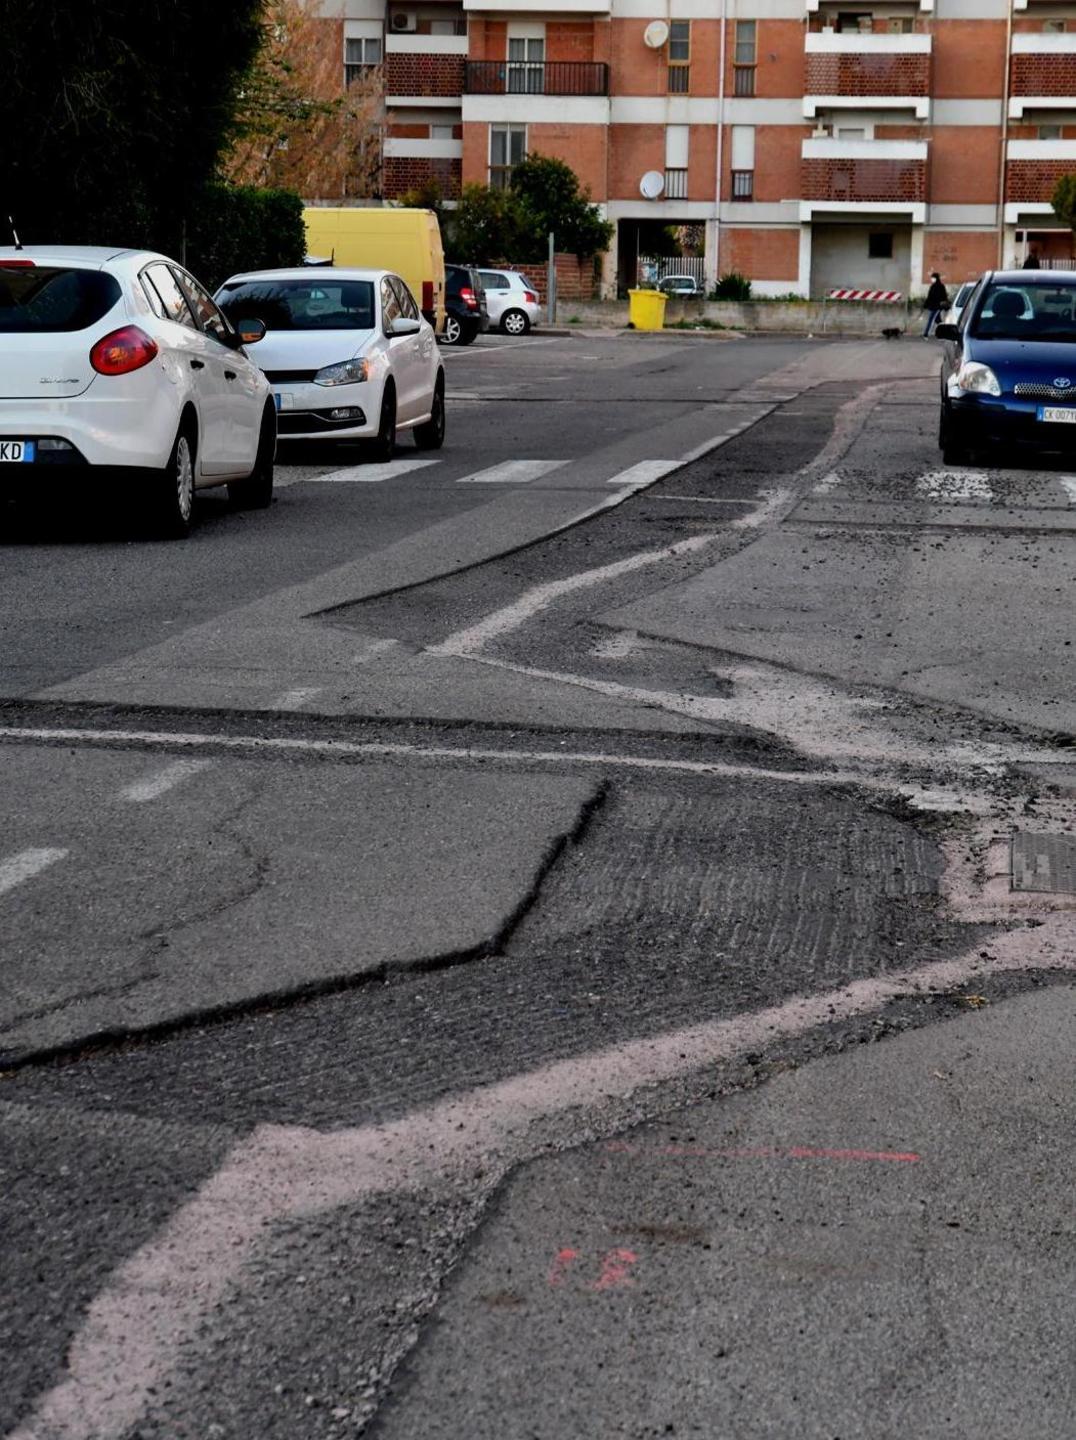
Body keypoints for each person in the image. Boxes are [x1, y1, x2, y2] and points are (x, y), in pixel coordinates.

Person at [922, 272, 949, 337]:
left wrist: (944, 304)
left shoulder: (941, 286)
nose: (932, 279)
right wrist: (925, 305)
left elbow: (944, 296)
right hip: (933, 306)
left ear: (936, 278)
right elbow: (929, 296)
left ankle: (926, 333)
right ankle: (945, 332)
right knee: (938, 320)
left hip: (938, 306)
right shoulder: (933, 286)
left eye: (933, 278)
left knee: (931, 319)